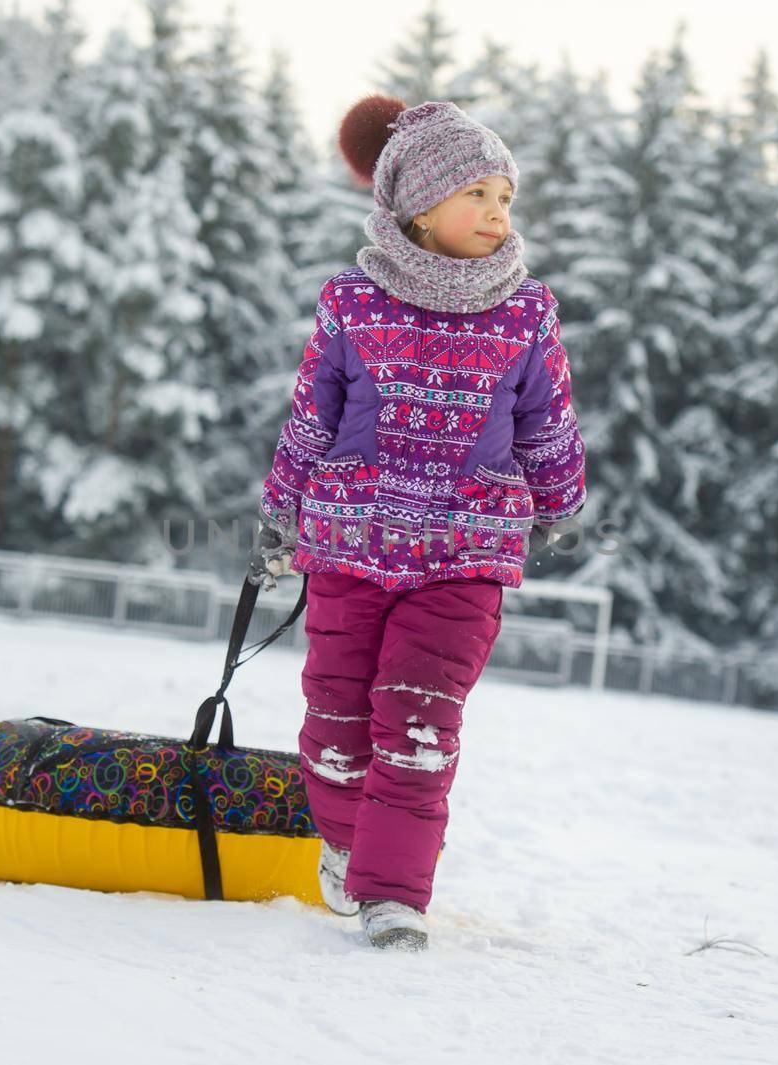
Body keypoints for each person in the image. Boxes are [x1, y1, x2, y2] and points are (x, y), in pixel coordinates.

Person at [251, 95, 587, 951]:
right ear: (417, 207)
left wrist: (558, 499)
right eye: (477, 194)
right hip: (350, 544)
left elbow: (548, 419)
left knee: (418, 720)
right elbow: (311, 416)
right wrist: (280, 509)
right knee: (336, 717)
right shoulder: (352, 302)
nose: (497, 213)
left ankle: (393, 894)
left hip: (464, 554)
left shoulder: (525, 312)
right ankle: (341, 838)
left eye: (506, 198)